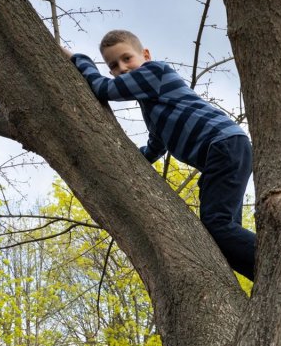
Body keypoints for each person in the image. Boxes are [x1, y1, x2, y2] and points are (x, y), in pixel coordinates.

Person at [66, 30, 256, 279]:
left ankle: (277, 263)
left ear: (145, 55)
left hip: (221, 145)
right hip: (225, 150)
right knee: (224, 236)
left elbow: (103, 89)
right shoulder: (153, 105)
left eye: (127, 58)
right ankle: (262, 275)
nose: (122, 68)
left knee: (216, 225)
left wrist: (80, 59)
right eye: (113, 65)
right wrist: (130, 159)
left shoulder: (155, 72)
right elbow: (156, 145)